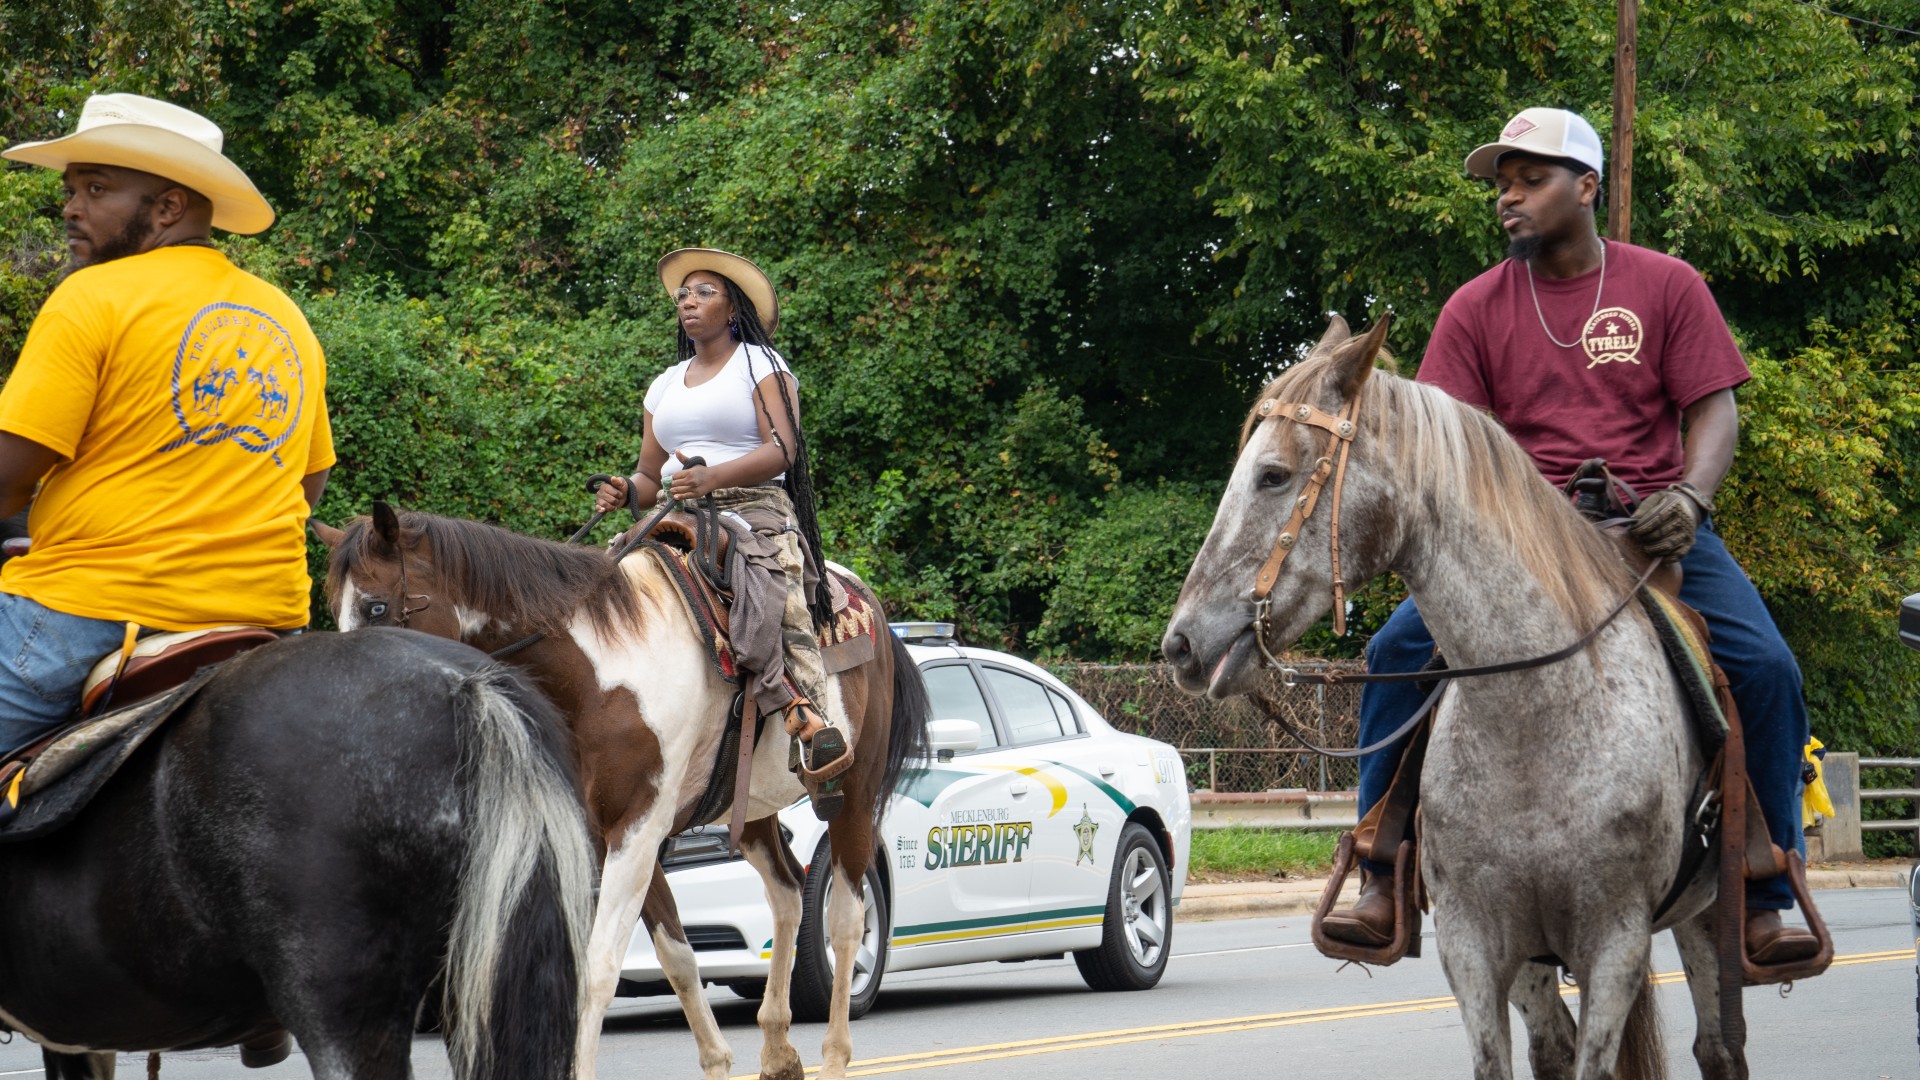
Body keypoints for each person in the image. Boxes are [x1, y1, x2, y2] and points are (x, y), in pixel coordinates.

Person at [1320, 108, 1818, 965]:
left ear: (1587, 187)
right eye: (1500, 185)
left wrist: (1692, 499)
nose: (1508, 198)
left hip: (1649, 533)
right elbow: (1452, 448)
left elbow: (1714, 411)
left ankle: (1766, 883)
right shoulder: (1475, 308)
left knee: (1768, 666)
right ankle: (1384, 869)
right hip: (1522, 545)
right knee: (1397, 653)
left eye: (1529, 180)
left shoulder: (1666, 284)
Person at [0, 93, 332, 758]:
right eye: (71, 189)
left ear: (168, 208)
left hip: (89, 618)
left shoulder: (90, 298)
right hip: (264, 624)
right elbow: (309, 485)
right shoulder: (287, 318)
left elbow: (6, 482)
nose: (71, 208)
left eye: (98, 189)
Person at [592, 247, 850, 817]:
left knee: (771, 590)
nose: (688, 301)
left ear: (732, 307)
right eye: (684, 294)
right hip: (676, 511)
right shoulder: (664, 385)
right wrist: (623, 489)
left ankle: (811, 725)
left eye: (704, 292)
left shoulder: (762, 364)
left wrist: (710, 476)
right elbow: (647, 473)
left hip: (753, 506)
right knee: (598, 585)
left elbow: (782, 450)